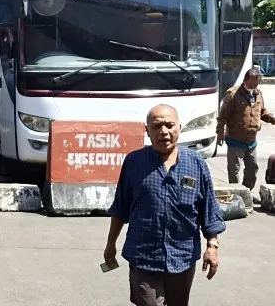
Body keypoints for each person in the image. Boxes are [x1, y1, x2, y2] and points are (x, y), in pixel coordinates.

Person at [104, 104, 225, 306]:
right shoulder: (134, 162)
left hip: (182, 256)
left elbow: (209, 211)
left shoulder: (196, 163)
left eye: (169, 125)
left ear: (179, 127)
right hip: (143, 256)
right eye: (157, 126)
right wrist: (110, 244)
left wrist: (212, 246)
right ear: (147, 131)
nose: (164, 132)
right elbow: (120, 208)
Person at [216, 68, 275, 201]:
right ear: (245, 80)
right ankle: (236, 197)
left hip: (251, 140)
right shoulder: (233, 94)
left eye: (257, 83)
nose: (254, 86)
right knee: (234, 171)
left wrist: (272, 118)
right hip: (235, 140)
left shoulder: (258, 94)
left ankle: (246, 193)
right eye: (252, 83)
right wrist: (219, 133)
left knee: (252, 169)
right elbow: (222, 116)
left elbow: (263, 112)